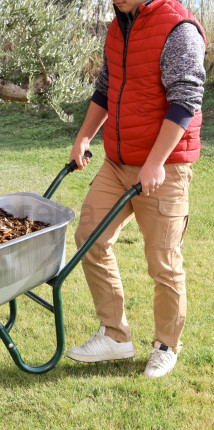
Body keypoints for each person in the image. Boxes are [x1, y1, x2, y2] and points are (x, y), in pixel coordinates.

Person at [66, 0, 206, 377]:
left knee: (163, 261)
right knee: (90, 237)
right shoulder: (118, 28)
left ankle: (166, 346)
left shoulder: (178, 28)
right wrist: (83, 137)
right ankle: (115, 335)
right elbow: (105, 89)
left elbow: (186, 101)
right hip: (117, 163)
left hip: (165, 167)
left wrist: (155, 162)